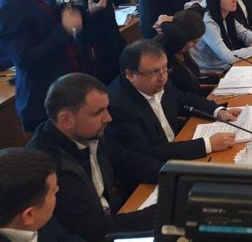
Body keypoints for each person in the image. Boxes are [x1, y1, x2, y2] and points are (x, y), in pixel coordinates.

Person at [26, 73, 162, 242]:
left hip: (114, 217)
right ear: (66, 120)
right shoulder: (51, 167)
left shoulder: (89, 134)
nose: (108, 118)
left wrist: (178, 175)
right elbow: (95, 230)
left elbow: (133, 163)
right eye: (98, 113)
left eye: (106, 109)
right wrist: (163, 211)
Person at [106, 39, 240, 161]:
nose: (162, 77)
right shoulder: (118, 106)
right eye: (154, 72)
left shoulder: (159, 78)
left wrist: (218, 111)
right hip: (156, 168)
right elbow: (150, 151)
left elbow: (184, 99)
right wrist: (207, 144)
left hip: (176, 145)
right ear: (130, 75)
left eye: (165, 68)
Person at [0, 0, 82, 132]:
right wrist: (64, 30)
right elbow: (25, 59)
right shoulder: (9, 7)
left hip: (62, 91)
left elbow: (42, 29)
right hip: (42, 102)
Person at [0, 147, 85, 242]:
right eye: (53, 192)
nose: (58, 189)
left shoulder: (41, 217)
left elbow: (67, 238)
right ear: (29, 215)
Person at [153, 9, 205, 95]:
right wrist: (163, 22)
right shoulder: (161, 56)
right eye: (193, 41)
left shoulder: (180, 50)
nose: (195, 46)